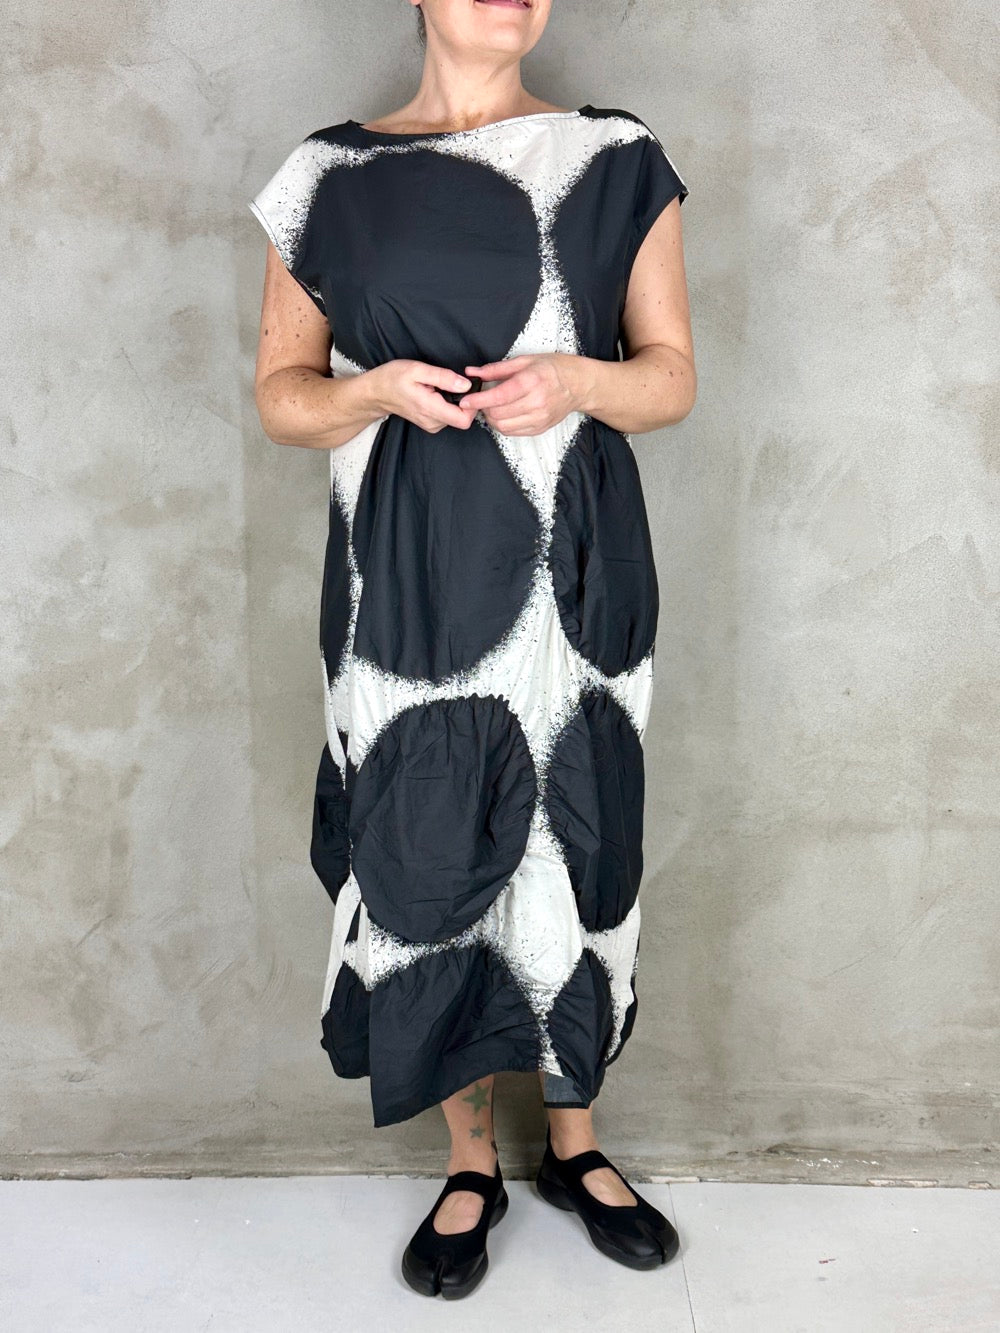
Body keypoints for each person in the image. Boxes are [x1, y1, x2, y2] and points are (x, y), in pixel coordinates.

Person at [249, 0, 695, 1300]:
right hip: (408, 572)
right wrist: (372, 390)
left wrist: (579, 381)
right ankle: (469, 1160)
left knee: (576, 819)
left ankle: (574, 1140)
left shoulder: (615, 156)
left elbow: (670, 375)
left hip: (575, 568)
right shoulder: (326, 176)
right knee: (428, 832)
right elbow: (281, 395)